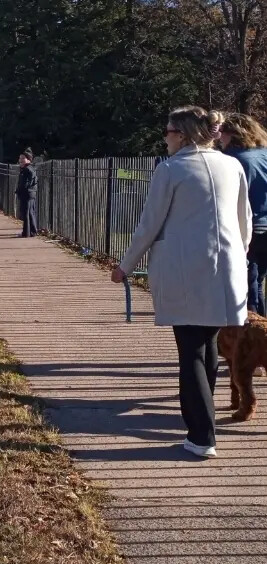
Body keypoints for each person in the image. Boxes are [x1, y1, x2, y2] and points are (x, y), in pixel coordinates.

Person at [112, 106, 251, 458]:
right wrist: (238, 256)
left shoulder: (171, 169)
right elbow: (244, 222)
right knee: (208, 347)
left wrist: (125, 266)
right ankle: (203, 423)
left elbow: (149, 224)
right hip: (226, 268)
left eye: (168, 131)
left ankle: (202, 436)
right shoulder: (231, 165)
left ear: (183, 135)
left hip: (185, 270)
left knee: (191, 352)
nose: (165, 138)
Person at [220, 114, 267, 316]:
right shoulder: (264, 154)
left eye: (222, 132)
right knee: (258, 280)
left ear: (233, 134)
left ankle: (253, 326)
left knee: (248, 283)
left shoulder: (232, 159)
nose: (219, 138)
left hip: (249, 226)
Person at [16, 148, 39, 237]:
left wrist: (20, 191)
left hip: (27, 193)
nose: (20, 160)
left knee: (26, 213)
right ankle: (32, 231)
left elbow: (25, 183)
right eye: (20, 158)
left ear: (28, 159)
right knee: (30, 212)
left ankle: (26, 233)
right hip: (31, 193)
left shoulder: (27, 169)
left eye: (23, 158)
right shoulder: (29, 168)